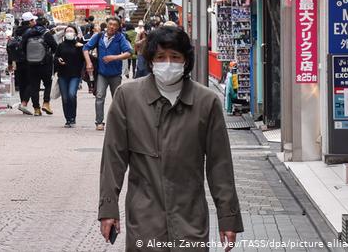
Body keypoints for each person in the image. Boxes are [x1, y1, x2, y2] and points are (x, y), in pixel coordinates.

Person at [98, 26, 243, 251]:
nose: (168, 63)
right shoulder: (128, 97)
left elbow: (219, 165)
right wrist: (108, 209)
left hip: (190, 218)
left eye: (175, 57)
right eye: (160, 57)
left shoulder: (206, 102)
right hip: (144, 217)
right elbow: (113, 158)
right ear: (150, 60)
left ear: (185, 61)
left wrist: (228, 218)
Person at [82, 17, 133, 131]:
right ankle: (99, 122)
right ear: (107, 25)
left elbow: (129, 52)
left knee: (117, 98)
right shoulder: (99, 36)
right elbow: (86, 48)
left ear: (118, 27)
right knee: (99, 96)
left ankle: (117, 121)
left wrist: (114, 57)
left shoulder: (120, 38)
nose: (112, 27)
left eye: (115, 25)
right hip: (102, 73)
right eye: (110, 24)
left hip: (115, 74)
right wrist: (88, 62)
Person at [21, 13, 58, 116]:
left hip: (31, 64)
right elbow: (55, 47)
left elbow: (22, 47)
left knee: (34, 86)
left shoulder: (28, 33)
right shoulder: (46, 33)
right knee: (48, 84)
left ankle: (36, 109)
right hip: (45, 64)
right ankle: (46, 103)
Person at [54, 25, 85, 127]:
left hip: (75, 75)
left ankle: (73, 117)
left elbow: (84, 60)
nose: (69, 33)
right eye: (67, 31)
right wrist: (58, 60)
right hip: (62, 75)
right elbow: (56, 57)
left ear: (75, 33)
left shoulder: (79, 46)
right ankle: (68, 118)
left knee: (72, 95)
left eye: (71, 31)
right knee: (65, 98)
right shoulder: (61, 45)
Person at [14, 13, 35, 115]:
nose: (34, 23)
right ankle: (24, 103)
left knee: (22, 83)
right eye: (33, 21)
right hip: (29, 59)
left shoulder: (17, 31)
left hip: (18, 59)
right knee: (31, 82)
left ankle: (23, 102)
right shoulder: (31, 31)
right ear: (30, 21)